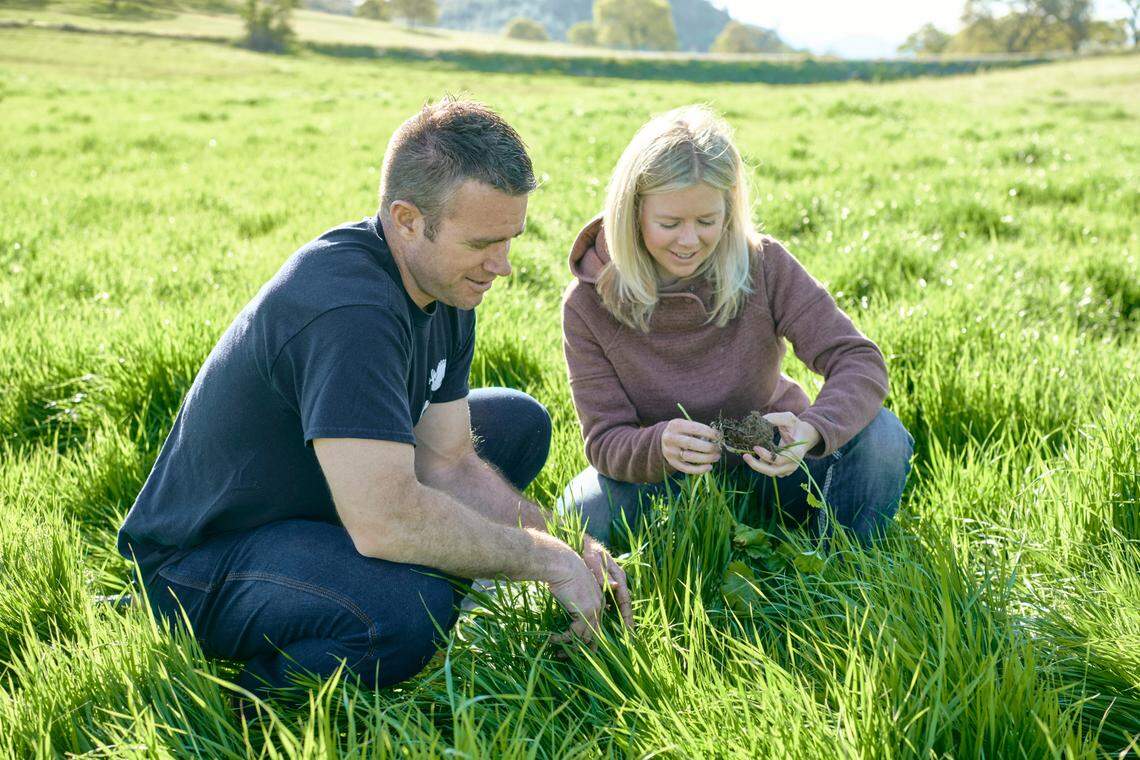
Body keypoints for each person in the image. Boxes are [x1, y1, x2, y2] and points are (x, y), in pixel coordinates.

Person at [117, 99, 633, 698]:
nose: (504, 266)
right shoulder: (350, 312)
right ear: (407, 219)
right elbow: (384, 521)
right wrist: (544, 562)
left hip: (315, 505)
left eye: (510, 239)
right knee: (408, 611)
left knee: (516, 425)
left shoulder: (446, 284)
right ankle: (254, 708)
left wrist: (564, 545)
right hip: (197, 565)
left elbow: (449, 461)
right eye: (483, 244)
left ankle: (378, 573)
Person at [559, 105, 914, 548]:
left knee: (882, 436)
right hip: (665, 480)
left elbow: (858, 360)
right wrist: (660, 445)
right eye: (670, 223)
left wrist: (811, 431)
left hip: (769, 463)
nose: (690, 241)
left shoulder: (763, 265)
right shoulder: (588, 303)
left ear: (729, 209)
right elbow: (605, 440)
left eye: (707, 222)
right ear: (632, 214)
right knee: (580, 510)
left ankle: (846, 568)